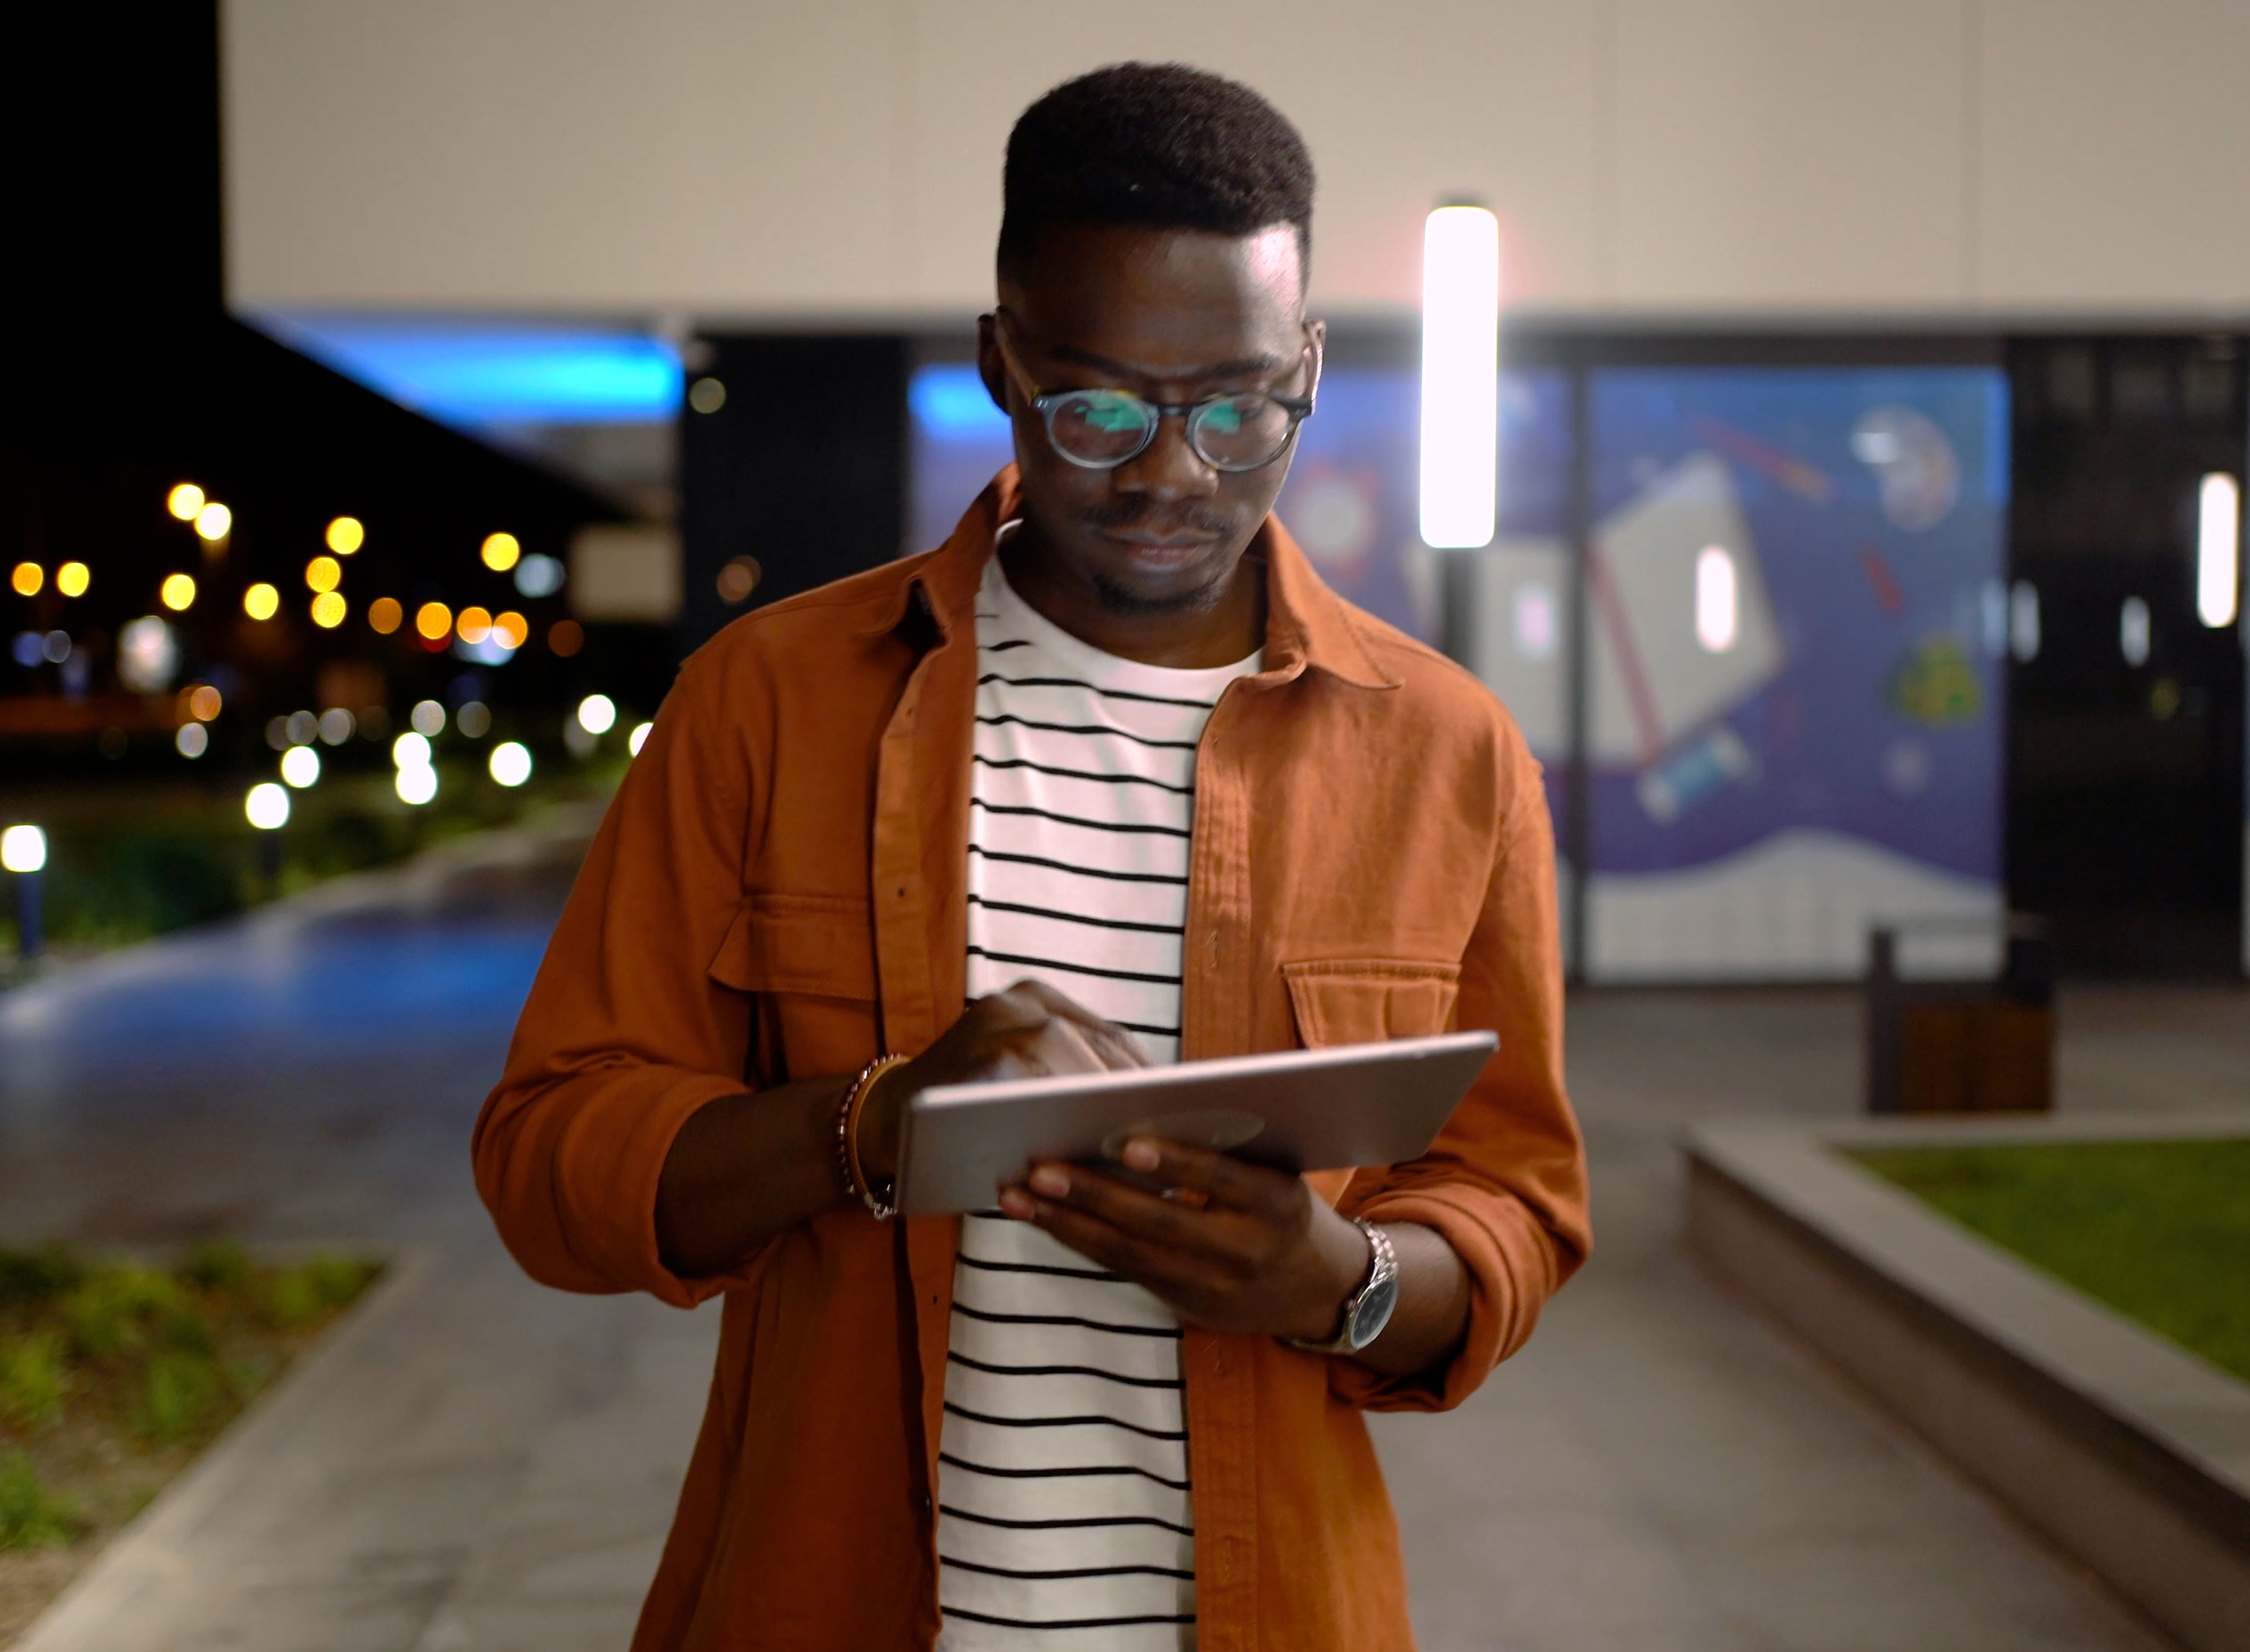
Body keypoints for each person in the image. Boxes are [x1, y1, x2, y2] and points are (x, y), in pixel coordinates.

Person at [475, 61, 1590, 1652]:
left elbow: (1515, 1201)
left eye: (1237, 407)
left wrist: (1333, 1278)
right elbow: (547, 1156)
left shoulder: (1445, 750)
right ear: (1001, 361)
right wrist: (872, 1125)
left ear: (1311, 370)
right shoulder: (771, 700)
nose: (1170, 472)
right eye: (1101, 406)